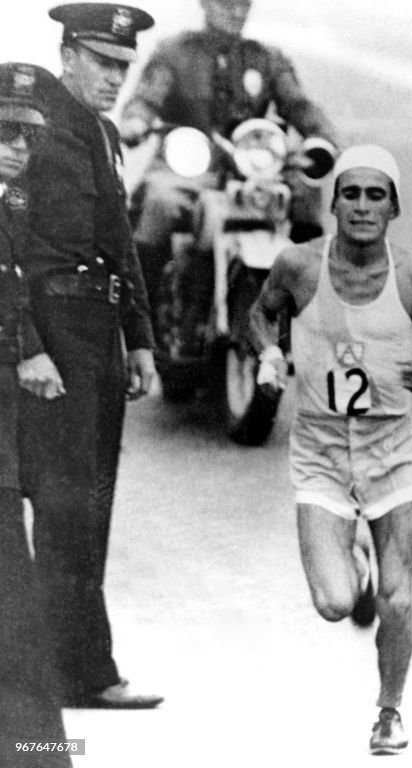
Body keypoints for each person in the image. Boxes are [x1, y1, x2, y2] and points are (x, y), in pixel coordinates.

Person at [250, 145, 412, 755]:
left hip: (393, 453)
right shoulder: (298, 266)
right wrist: (271, 354)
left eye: (376, 195)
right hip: (320, 453)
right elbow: (260, 314)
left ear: (394, 207)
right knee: (334, 603)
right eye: (350, 193)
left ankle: (388, 713)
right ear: (333, 203)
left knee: (397, 597)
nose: (361, 205)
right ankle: (352, 550)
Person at [17, 3, 161, 709]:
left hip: (97, 338)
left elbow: (120, 241)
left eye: (122, 68)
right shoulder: (28, 123)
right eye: (102, 63)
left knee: (90, 508)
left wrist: (139, 339)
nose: (113, 79)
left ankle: (82, 671)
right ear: (69, 54)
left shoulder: (102, 135)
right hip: (48, 339)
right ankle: (60, 680)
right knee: (63, 506)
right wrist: (27, 347)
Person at [119, 0, 343, 314]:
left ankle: (305, 302)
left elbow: (299, 105)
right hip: (186, 169)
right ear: (205, 4)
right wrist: (136, 121)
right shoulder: (174, 53)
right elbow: (146, 98)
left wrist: (324, 137)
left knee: (304, 195)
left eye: (244, 5)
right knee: (160, 202)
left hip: (252, 171)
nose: (236, 12)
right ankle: (140, 313)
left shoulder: (265, 58)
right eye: (226, 3)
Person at [0, 61, 72, 768]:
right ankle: (37, 754)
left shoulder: (11, 207)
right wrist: (23, 351)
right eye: (5, 133)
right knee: (14, 606)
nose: (19, 148)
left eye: (28, 136)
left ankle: (34, 749)